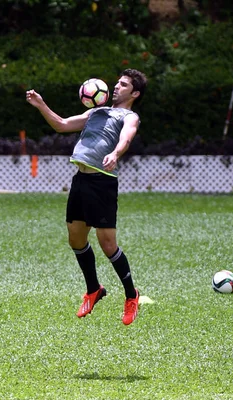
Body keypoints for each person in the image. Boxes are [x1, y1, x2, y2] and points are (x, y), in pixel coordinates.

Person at [26, 68, 147, 325]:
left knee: (107, 244)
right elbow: (61, 125)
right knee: (76, 238)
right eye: (117, 83)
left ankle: (131, 295)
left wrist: (115, 154)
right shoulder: (95, 112)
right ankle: (94, 289)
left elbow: (126, 137)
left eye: (123, 85)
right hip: (80, 180)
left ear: (134, 93)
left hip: (102, 182)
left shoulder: (129, 116)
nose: (116, 87)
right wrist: (40, 104)